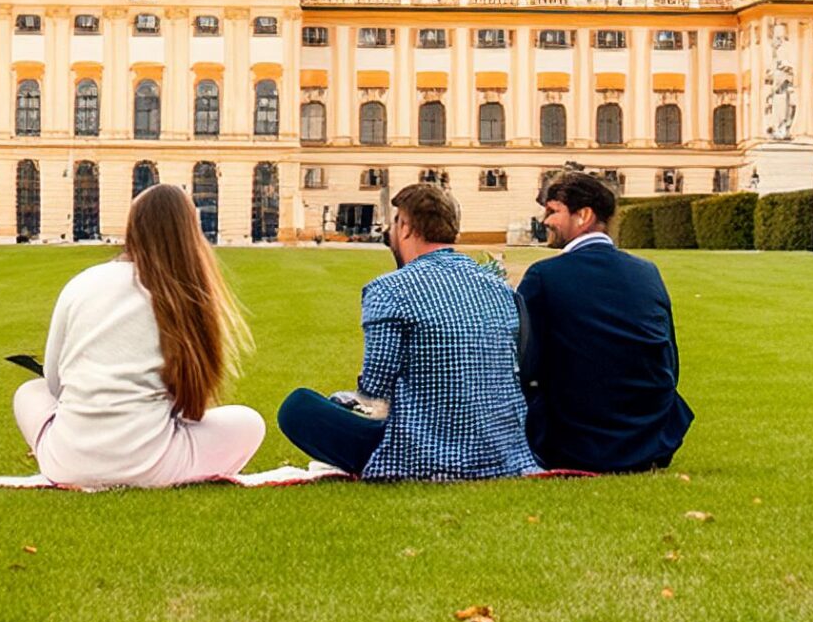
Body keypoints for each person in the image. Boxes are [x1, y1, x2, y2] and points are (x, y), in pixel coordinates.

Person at [277, 182, 539, 480]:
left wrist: (342, 400)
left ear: (405, 227)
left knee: (297, 407)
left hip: (420, 455)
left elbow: (375, 390)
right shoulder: (499, 288)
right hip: (502, 452)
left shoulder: (389, 290)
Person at [11, 184, 265, 488]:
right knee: (249, 422)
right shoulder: (188, 296)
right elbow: (187, 403)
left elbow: (54, 382)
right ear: (190, 233)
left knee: (30, 391)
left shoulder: (84, 282)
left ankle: (84, 458)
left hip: (67, 462)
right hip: (153, 465)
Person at [518, 171, 692, 473]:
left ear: (583, 215)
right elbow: (671, 362)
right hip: (651, 440)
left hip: (572, 444)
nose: (545, 221)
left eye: (553, 211)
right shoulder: (647, 272)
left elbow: (524, 365)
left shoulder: (543, 277)